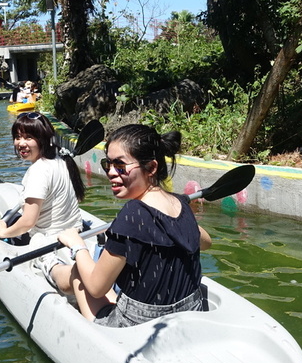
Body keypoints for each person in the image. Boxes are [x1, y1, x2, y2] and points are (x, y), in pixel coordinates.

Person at [56, 124, 212, 327]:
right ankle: (54, 269)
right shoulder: (180, 203)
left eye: (120, 165)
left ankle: (50, 268)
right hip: (189, 313)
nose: (111, 172)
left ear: (151, 168)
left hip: (135, 326)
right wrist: (179, 224)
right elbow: (206, 242)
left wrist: (77, 246)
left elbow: (96, 288)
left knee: (79, 270)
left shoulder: (133, 214)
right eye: (107, 164)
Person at [0, 112, 86, 290]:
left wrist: (3, 232)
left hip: (49, 241)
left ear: (42, 139)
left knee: (15, 231)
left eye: (29, 137)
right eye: (17, 137)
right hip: (75, 232)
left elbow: (28, 222)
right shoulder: (60, 159)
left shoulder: (38, 171)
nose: (21, 143)